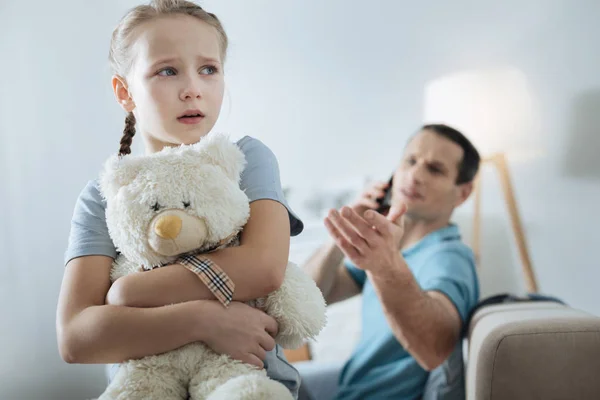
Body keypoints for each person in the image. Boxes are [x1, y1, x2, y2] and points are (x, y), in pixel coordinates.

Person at [56, 1, 303, 398]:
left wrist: (126, 295)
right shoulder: (102, 197)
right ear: (124, 92)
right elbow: (76, 337)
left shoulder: (247, 159)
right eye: (167, 71)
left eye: (209, 69)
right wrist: (201, 319)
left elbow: (263, 267)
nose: (193, 89)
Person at [298, 124, 482, 400]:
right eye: (410, 161)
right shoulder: (393, 251)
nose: (414, 175)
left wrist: (383, 265)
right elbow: (303, 299)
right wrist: (342, 234)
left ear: (463, 193)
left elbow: (435, 349)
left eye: (434, 169)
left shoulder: (449, 258)